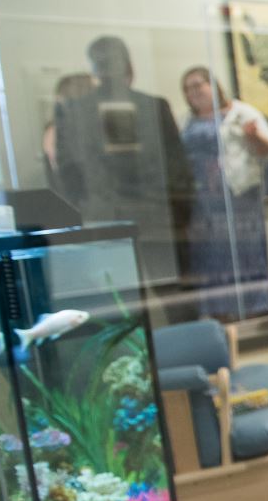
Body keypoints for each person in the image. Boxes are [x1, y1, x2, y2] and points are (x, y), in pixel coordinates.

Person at [52, 36, 196, 312]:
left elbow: (69, 176)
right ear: (129, 65)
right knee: (159, 302)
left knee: (130, 305)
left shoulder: (75, 112)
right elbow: (180, 174)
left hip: (124, 221)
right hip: (138, 220)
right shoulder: (151, 107)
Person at [179, 66, 268, 320]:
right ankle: (219, 318)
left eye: (198, 85)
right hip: (203, 204)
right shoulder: (187, 121)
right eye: (188, 88)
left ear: (213, 85)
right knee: (211, 262)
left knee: (245, 257)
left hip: (239, 200)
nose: (194, 92)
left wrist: (254, 136)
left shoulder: (240, 113)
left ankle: (255, 315)